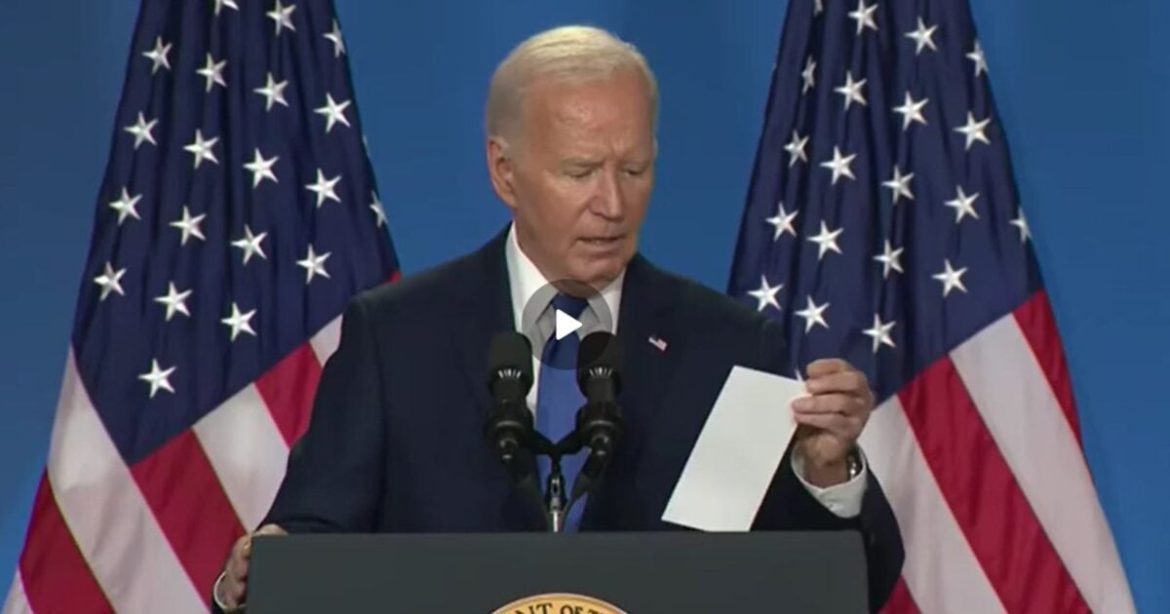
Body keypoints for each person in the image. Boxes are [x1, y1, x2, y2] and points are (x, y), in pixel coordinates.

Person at [213, 24, 904, 612]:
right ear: (504, 171)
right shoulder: (396, 338)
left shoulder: (728, 346)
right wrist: (258, 571)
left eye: (633, 170)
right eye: (580, 172)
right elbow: (309, 543)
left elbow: (833, 588)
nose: (613, 204)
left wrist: (827, 475)